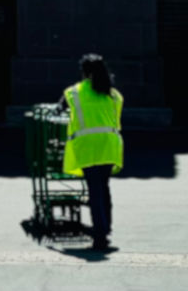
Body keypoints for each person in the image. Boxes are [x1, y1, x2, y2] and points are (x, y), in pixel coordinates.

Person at [62, 52, 123, 246]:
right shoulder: (114, 95)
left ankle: (99, 235)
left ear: (84, 72)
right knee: (103, 187)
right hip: (110, 145)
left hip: (87, 146)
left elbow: (61, 107)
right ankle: (105, 227)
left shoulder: (74, 92)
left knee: (94, 190)